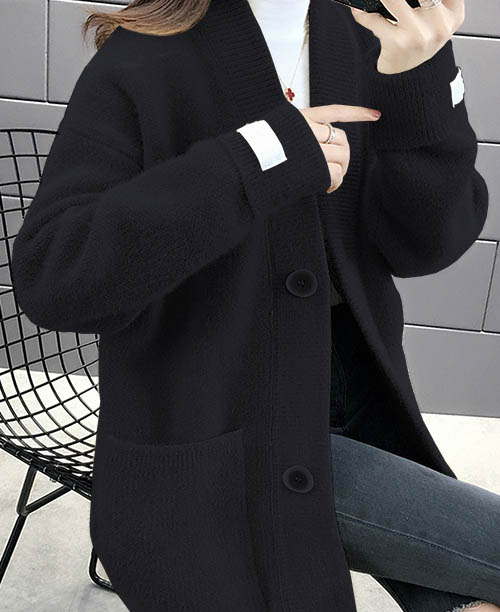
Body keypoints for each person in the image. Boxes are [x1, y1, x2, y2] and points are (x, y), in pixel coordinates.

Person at [11, 0, 497, 611]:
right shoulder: (142, 60)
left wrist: (422, 80)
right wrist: (255, 158)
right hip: (219, 424)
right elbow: (56, 279)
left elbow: (425, 246)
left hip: (356, 406)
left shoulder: (371, 39)